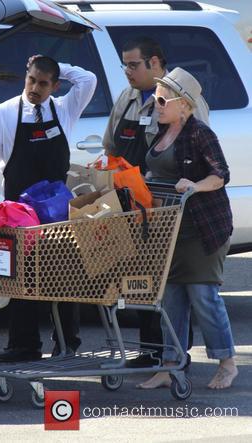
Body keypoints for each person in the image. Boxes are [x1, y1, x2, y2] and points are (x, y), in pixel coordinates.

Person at [0, 55, 97, 362]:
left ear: (55, 86)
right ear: (26, 76)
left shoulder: (65, 108)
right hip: (18, 211)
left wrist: (56, 63)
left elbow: (88, 80)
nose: (35, 88)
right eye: (31, 79)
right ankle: (23, 345)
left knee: (63, 276)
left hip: (57, 211)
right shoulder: (2, 113)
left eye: (44, 83)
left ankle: (67, 343)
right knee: (20, 279)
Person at [103, 36, 208, 367]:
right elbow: (111, 147)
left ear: (156, 63)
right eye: (125, 66)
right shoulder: (127, 99)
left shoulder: (181, 100)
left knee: (170, 285)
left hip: (165, 207)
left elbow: (198, 153)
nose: (128, 72)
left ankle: (175, 353)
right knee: (137, 282)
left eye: (134, 65)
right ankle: (149, 351)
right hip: (130, 207)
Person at [137, 67, 238, 390]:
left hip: (202, 228)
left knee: (203, 296)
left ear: (184, 104)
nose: (158, 105)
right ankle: (170, 366)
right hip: (169, 230)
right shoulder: (158, 132)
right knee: (171, 300)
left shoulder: (199, 133)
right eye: (156, 99)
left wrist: (193, 185)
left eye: (164, 100)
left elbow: (220, 175)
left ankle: (227, 363)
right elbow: (156, 173)